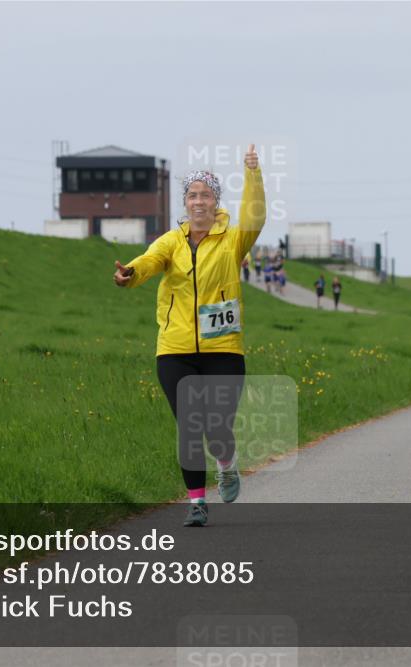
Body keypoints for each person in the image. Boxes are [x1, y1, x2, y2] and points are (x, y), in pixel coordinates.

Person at [113, 145, 265, 527]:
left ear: (216, 203)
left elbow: (254, 216)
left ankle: (227, 462)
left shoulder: (233, 241)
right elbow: (149, 260)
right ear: (185, 203)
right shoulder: (171, 241)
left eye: (206, 195)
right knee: (190, 426)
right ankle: (196, 502)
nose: (199, 201)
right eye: (193, 195)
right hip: (175, 350)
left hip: (223, 350)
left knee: (217, 426)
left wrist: (252, 173)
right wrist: (131, 272)